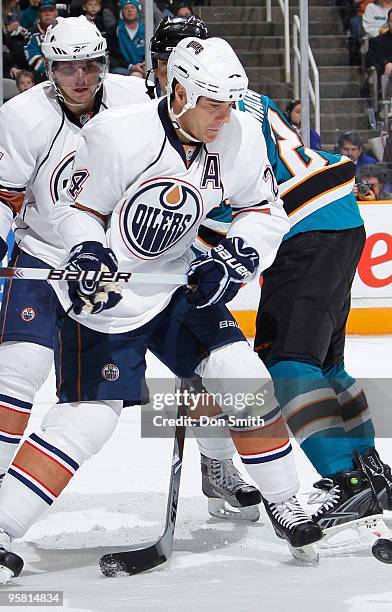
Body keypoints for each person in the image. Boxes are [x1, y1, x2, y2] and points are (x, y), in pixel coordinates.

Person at [0, 36, 323, 583]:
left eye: (229, 104)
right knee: (87, 421)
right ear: (178, 93)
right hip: (108, 301)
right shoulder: (117, 136)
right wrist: (88, 250)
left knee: (241, 375)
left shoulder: (238, 135)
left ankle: (284, 501)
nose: (224, 117)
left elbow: (262, 210)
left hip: (179, 286)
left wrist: (236, 258)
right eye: (212, 105)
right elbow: (78, 211)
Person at [0, 15, 150, 494]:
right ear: (49, 68)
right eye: (67, 68)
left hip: (114, 265)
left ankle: (220, 464)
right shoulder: (23, 117)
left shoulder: (133, 102)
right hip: (44, 252)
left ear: (104, 64)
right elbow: (6, 199)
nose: (80, 78)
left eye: (89, 66)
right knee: (19, 369)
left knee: (215, 362)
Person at [147, 15, 263, 522]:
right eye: (163, 57)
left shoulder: (233, 108)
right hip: (139, 264)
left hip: (208, 248)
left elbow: (255, 188)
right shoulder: (133, 109)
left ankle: (218, 462)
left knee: (216, 368)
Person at [107, 0, 145, 77]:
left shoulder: (146, 29)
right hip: (123, 67)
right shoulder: (114, 30)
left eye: (132, 7)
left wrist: (145, 63)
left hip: (144, 66)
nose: (129, 10)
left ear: (137, 11)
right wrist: (131, 66)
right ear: (121, 11)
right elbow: (110, 57)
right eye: (126, 8)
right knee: (135, 76)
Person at [23, 0, 58, 79]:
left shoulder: (63, 30)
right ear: (38, 14)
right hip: (40, 76)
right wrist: (52, 71)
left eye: (51, 10)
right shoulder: (31, 33)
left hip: (62, 72)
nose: (47, 14)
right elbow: (34, 59)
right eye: (44, 11)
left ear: (56, 13)